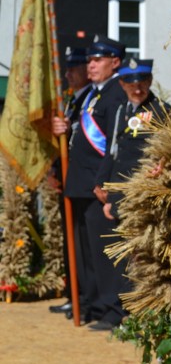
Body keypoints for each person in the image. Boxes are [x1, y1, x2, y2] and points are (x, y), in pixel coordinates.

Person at [91, 57, 171, 330]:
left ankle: (138, 313)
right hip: (118, 192)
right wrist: (102, 183)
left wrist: (162, 168)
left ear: (149, 82)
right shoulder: (121, 110)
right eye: (130, 83)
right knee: (117, 254)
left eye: (142, 83)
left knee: (140, 255)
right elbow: (113, 150)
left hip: (142, 194)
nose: (137, 88)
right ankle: (116, 310)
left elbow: (170, 152)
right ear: (122, 83)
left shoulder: (162, 110)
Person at [52, 36, 127, 327]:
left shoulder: (116, 94)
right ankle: (95, 304)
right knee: (87, 253)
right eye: (90, 61)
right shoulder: (96, 94)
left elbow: (113, 146)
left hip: (98, 186)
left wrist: (104, 183)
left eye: (97, 60)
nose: (90, 65)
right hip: (82, 182)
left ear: (115, 62)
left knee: (104, 252)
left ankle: (111, 309)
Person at [49, 47, 93, 317]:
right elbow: (66, 143)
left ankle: (84, 299)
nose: (67, 74)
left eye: (73, 69)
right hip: (70, 180)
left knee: (84, 248)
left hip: (84, 181)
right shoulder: (73, 100)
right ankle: (74, 295)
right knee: (71, 244)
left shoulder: (90, 99)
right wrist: (56, 171)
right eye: (66, 69)